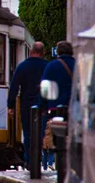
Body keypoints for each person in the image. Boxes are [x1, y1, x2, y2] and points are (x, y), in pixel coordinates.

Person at [7, 41, 48, 169]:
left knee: (28, 133)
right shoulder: (47, 67)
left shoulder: (22, 67)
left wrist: (11, 105)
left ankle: (29, 161)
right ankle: (37, 158)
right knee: (40, 133)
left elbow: (14, 87)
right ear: (43, 53)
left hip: (26, 105)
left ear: (31, 52)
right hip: (42, 106)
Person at [40, 41, 75, 171]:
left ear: (58, 52)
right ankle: (70, 163)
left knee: (58, 136)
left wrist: (43, 106)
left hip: (55, 108)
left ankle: (60, 162)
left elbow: (44, 88)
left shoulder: (51, 66)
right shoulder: (79, 65)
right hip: (74, 108)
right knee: (72, 135)